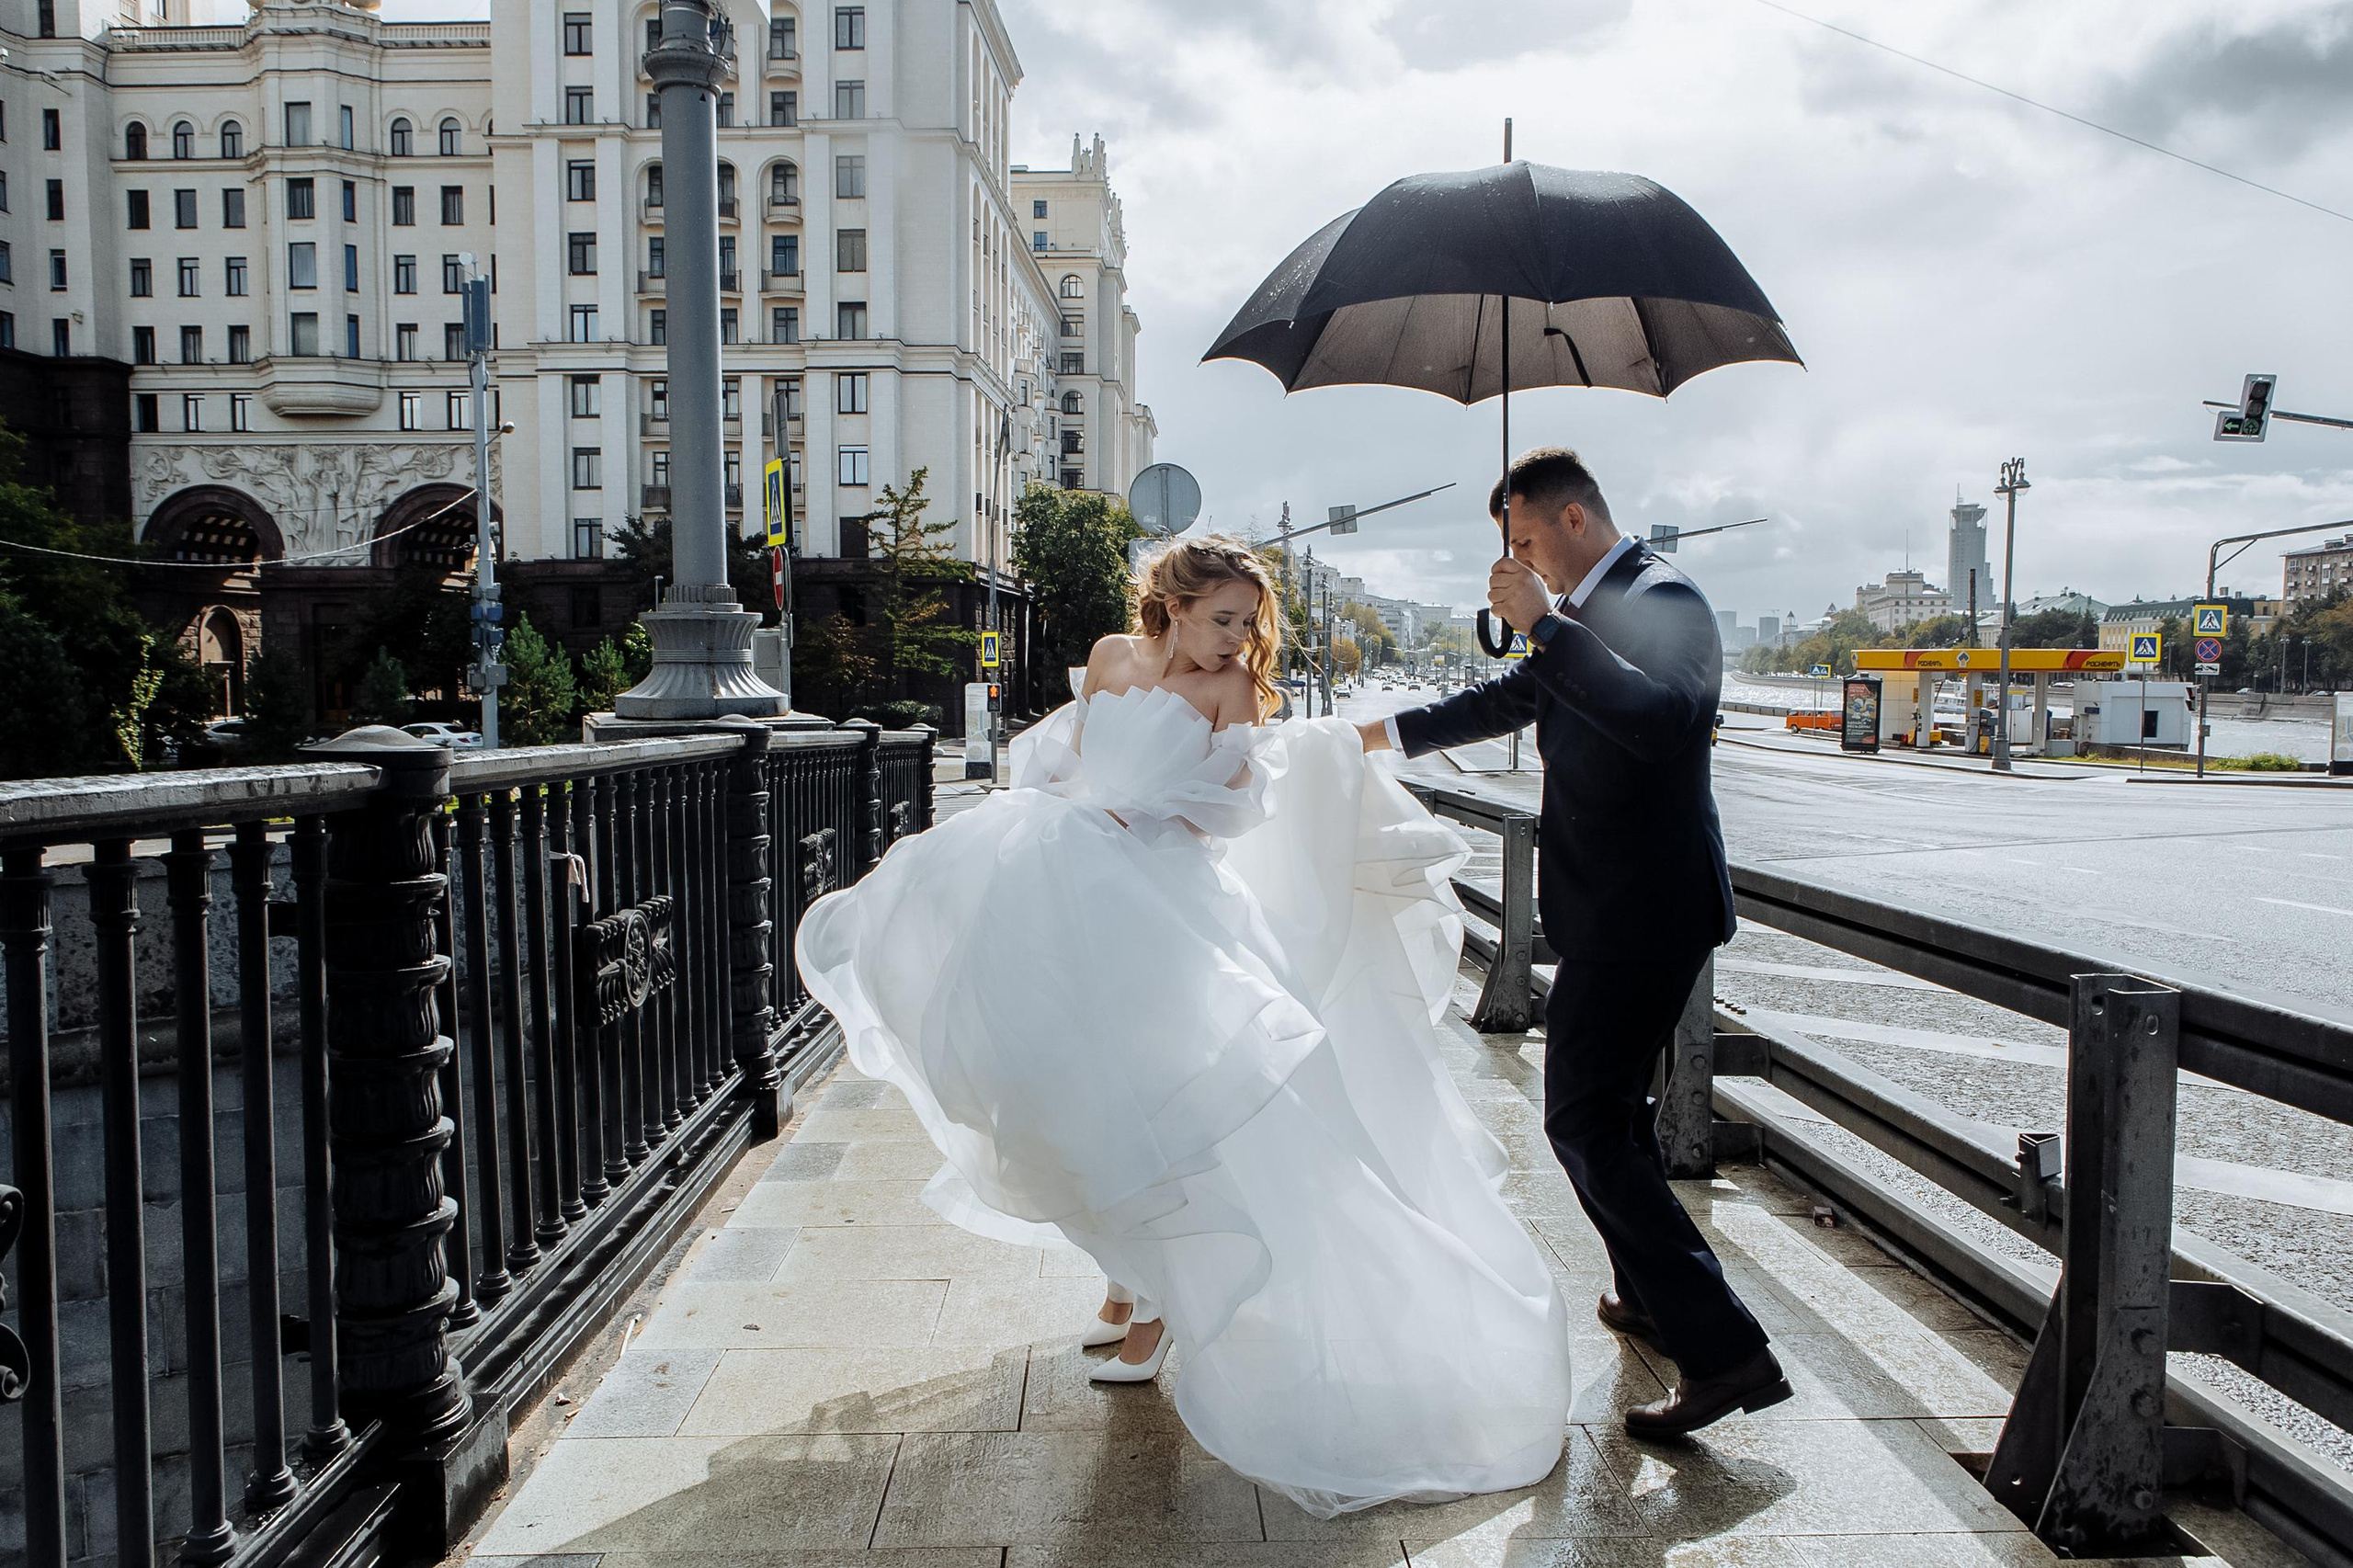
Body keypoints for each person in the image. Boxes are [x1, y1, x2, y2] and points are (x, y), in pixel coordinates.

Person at [797, 536, 1571, 1517]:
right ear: (1170, 603)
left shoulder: (1233, 692)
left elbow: (1232, 808)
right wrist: (1063, 812)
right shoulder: (1116, 655)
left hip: (1160, 906)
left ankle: (1157, 1305)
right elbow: (1064, 753)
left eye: (1249, 622)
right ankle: (1125, 1281)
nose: (1238, 638)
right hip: (1067, 886)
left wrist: (1140, 813)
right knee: (1067, 1091)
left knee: (1160, 1095)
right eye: (1222, 618)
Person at [1361, 447, 1790, 1436]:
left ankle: (1726, 1352)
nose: (1518, 560)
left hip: (1644, 913)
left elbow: (1660, 718)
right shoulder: (1586, 614)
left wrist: (1546, 624)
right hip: (1614, 909)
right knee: (1615, 1118)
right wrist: (1371, 735)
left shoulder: (1663, 594)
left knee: (1583, 1122)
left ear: (1571, 521)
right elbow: (1512, 701)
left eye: (1522, 540)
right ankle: (1646, 1292)